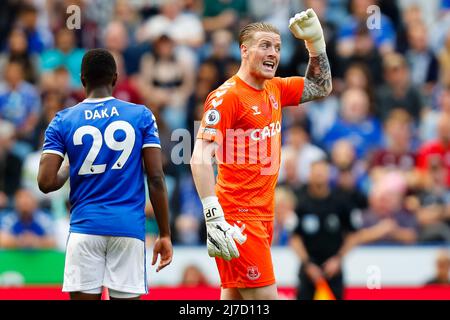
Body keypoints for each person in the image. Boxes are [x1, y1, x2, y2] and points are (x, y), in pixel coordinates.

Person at [190, 8, 332, 300]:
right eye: (265, 45)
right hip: (239, 218)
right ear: (244, 50)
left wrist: (316, 44)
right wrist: (213, 215)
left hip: (262, 216)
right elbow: (199, 157)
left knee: (235, 301)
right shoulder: (227, 96)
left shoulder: (275, 89)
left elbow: (321, 86)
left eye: (278, 47)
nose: (273, 53)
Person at [37, 48, 173, 300]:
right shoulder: (141, 115)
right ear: (115, 79)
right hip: (128, 228)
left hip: (85, 229)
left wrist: (68, 166)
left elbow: (45, 183)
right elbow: (155, 178)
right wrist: (164, 233)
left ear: (82, 80)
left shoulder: (63, 120)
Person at [289, 160, 359, 300]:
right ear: (309, 175)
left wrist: (338, 259)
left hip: (333, 268)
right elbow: (295, 238)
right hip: (308, 269)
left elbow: (353, 235)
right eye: (316, 172)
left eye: (322, 172)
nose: (319, 175)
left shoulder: (341, 202)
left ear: (328, 175)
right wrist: (307, 264)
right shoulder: (300, 203)